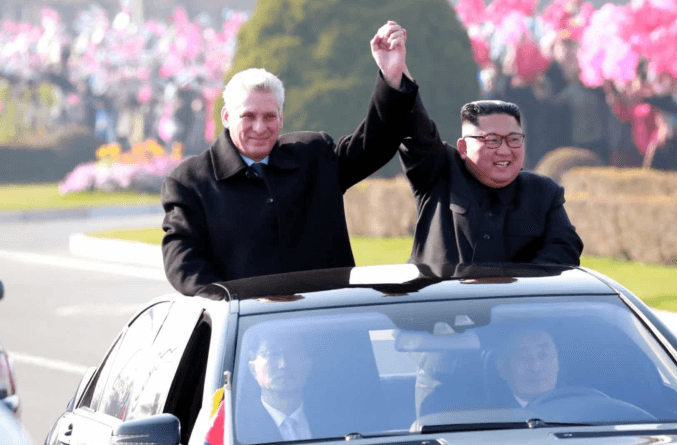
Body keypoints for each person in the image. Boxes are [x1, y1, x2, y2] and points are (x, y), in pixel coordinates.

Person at [161, 21, 418, 295]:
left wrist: (392, 76)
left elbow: (374, 144)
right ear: (226, 116)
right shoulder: (190, 182)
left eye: (269, 117)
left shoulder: (314, 155)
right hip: (247, 321)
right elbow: (184, 264)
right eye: (248, 116)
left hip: (331, 316)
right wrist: (227, 304)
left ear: (281, 119)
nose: (260, 127)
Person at [399, 98, 583, 266]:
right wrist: (397, 82)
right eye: (492, 140)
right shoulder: (439, 173)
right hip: (441, 292)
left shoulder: (543, 193)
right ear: (463, 147)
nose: (505, 151)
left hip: (516, 293)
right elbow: (415, 132)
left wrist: (515, 282)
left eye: (514, 139)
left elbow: (566, 249)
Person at [238, 335, 316, 442]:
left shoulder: (334, 417)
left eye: (292, 353)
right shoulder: (236, 428)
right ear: (252, 368)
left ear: (308, 363)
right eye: (272, 354)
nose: (283, 364)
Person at [492, 329, 559, 407]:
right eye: (523, 357)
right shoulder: (489, 411)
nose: (536, 368)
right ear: (502, 369)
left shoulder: (570, 407)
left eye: (544, 355)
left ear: (557, 362)